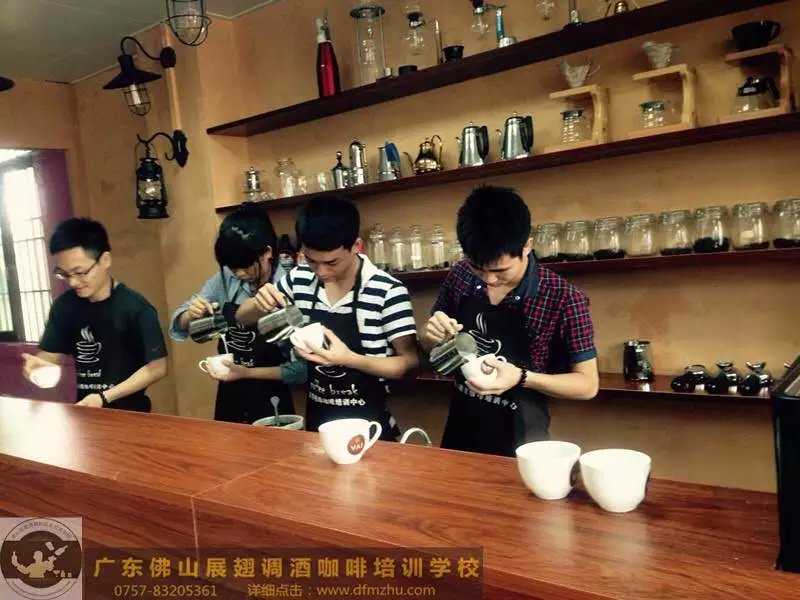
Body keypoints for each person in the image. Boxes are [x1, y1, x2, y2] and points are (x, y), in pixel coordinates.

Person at [420, 185, 599, 456]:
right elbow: (430, 349)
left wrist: (521, 377)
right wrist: (429, 334)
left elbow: (587, 385)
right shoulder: (460, 276)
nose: (489, 279)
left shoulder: (564, 298)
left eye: (500, 270)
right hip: (462, 426)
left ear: (527, 246)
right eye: (477, 267)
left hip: (522, 437)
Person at [236, 196, 418, 439]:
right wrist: (259, 300)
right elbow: (241, 318)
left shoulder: (387, 291)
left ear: (356, 246)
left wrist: (348, 359)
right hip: (318, 419)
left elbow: (408, 364)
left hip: (369, 424)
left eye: (332, 262)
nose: (321, 272)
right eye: (312, 260)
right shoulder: (299, 278)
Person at [169, 205, 301, 424]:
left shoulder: (287, 286)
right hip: (230, 394)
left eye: (246, 266)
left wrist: (246, 373)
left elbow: (299, 370)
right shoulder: (224, 280)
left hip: (272, 397)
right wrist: (191, 314)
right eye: (233, 267)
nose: (239, 273)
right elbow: (180, 325)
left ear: (267, 252)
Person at [22, 218, 168, 411]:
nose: (73, 282)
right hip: (86, 410)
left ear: (105, 260)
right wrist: (40, 366)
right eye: (64, 274)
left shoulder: (135, 308)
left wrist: (104, 397)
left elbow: (157, 368)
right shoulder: (64, 307)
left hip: (131, 413)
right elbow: (50, 355)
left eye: (80, 272)